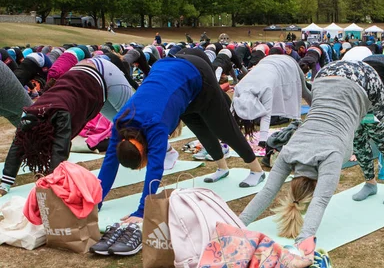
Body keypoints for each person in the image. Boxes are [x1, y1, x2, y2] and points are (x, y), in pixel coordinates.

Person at [239, 60, 384, 247]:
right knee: (357, 139)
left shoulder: (329, 156)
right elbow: (268, 191)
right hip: (325, 75)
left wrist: (303, 242)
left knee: (381, 136)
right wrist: (236, 225)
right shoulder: (289, 150)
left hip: (364, 79)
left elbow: (319, 200)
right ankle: (370, 184)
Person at [97, 50, 265, 224]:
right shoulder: (120, 121)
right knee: (198, 128)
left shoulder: (155, 126)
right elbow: (109, 162)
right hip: (173, 76)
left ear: (145, 153)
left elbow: (155, 170)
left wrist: (142, 211)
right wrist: (97, 201)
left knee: (223, 128)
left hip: (196, 73)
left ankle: (256, 170)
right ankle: (222, 168)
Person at [0, 63, 108, 194]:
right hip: (71, 79)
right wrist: (5, 183)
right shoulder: (28, 115)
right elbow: (17, 145)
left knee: (70, 133)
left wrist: (52, 181)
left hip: (97, 84)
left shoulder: (61, 115)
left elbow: (60, 150)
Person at [231, 55, 312, 145]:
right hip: (266, 63)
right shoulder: (239, 87)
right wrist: (228, 134)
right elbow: (231, 112)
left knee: (303, 91)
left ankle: (318, 109)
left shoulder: (266, 88)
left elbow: (266, 114)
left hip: (287, 64)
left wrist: (262, 140)